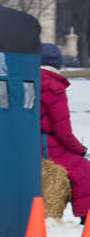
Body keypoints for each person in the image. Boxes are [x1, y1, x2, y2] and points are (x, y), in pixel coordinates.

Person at [40, 42, 90, 223]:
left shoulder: (29, 79)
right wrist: (80, 149)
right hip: (46, 145)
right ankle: (86, 217)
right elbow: (63, 131)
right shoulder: (53, 86)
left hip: (31, 141)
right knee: (84, 169)